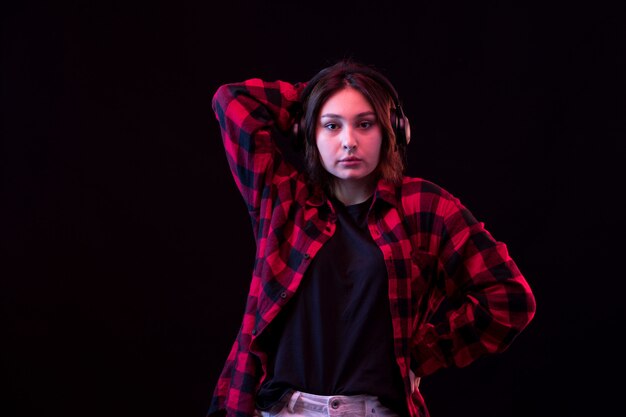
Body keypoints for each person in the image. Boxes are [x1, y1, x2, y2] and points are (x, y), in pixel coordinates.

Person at [208, 58, 536, 417]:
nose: (349, 141)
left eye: (365, 124)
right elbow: (233, 101)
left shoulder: (425, 206)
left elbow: (509, 299)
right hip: (283, 409)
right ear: (308, 133)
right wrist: (318, 93)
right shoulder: (284, 199)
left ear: (391, 130)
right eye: (331, 125)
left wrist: (426, 352)